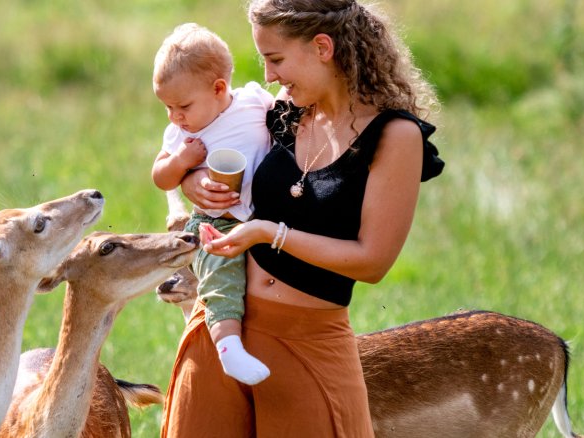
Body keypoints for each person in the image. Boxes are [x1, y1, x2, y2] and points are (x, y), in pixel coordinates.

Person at [161, 1, 445, 437]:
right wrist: (192, 182)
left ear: (323, 47)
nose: (269, 75)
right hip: (220, 331)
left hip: (308, 348)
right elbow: (208, 138)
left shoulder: (395, 136)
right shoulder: (284, 110)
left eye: (275, 59)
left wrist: (271, 234)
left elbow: (373, 261)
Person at [151, 22, 277, 385]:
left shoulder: (254, 101)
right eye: (167, 107)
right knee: (223, 278)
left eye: (182, 105)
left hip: (264, 214)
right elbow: (160, 176)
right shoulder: (183, 133)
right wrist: (182, 164)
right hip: (217, 221)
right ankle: (228, 347)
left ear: (220, 88)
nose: (174, 115)